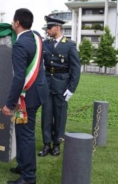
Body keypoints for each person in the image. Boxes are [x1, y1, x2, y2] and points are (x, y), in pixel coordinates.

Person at [3, 8, 49, 184]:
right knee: (22, 132)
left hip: (27, 97)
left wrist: (9, 103)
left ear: (16, 23)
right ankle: (22, 165)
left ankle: (29, 177)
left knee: (25, 135)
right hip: (38, 92)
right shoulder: (36, 37)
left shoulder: (20, 44)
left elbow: (19, 77)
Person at [38, 16, 81, 157]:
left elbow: (75, 69)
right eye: (47, 28)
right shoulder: (45, 44)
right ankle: (46, 144)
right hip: (47, 85)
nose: (47, 31)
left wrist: (71, 89)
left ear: (58, 27)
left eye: (49, 28)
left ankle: (56, 144)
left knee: (60, 116)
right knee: (46, 115)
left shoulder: (69, 45)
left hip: (62, 86)